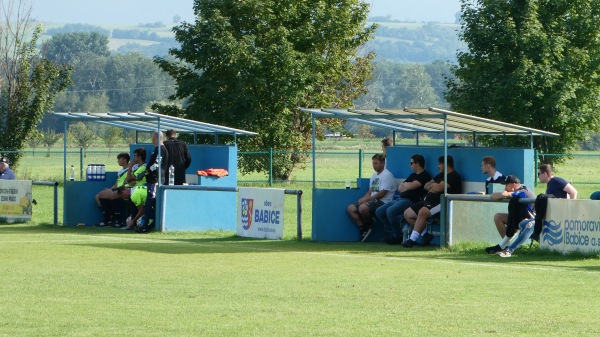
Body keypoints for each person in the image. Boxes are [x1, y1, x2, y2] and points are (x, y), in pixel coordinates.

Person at [496, 164, 577, 257]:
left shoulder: (557, 181)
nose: (537, 176)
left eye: (538, 174)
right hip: (549, 216)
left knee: (530, 225)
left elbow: (573, 192)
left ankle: (509, 250)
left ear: (545, 174)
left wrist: (570, 210)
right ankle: (542, 243)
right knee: (521, 224)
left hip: (557, 217)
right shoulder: (551, 184)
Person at [402, 155, 462, 247]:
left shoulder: (453, 176)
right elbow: (426, 186)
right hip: (428, 200)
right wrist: (433, 185)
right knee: (407, 213)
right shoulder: (440, 175)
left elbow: (437, 189)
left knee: (423, 212)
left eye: (439, 164)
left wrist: (434, 185)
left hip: (442, 203)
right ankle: (425, 235)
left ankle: (412, 239)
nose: (438, 166)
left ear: (445, 164)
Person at [375, 154, 431, 244]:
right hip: (400, 199)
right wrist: (406, 185)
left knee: (390, 211)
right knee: (379, 211)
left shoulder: (424, 176)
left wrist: (407, 185)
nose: (410, 165)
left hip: (411, 201)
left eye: (411, 163)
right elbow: (400, 188)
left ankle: (398, 236)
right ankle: (394, 232)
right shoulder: (412, 175)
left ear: (417, 164)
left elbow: (412, 186)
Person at [346, 153, 397, 242]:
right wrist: (363, 199)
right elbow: (370, 191)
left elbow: (382, 194)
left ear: (382, 163)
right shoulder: (374, 175)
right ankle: (363, 227)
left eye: (376, 163)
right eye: (373, 163)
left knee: (363, 208)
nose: (374, 165)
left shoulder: (387, 175)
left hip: (383, 201)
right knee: (350, 208)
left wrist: (367, 200)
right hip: (373, 200)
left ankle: (369, 223)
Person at [484, 175, 536, 254]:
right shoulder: (515, 191)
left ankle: (505, 247)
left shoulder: (523, 191)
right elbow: (493, 196)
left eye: (506, 185)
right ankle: (506, 246)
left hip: (532, 220)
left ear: (513, 185)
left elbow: (503, 195)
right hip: (521, 218)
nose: (505, 187)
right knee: (498, 217)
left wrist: (505, 193)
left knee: (515, 219)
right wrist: (505, 192)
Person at [140, 131, 169, 231]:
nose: (151, 138)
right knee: (152, 201)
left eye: (152, 136)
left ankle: (146, 225)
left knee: (150, 200)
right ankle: (151, 223)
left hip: (155, 179)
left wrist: (146, 171)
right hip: (153, 179)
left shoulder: (161, 149)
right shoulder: (157, 149)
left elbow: (157, 164)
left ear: (156, 137)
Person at [94, 152, 130, 227]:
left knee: (101, 195)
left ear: (125, 160)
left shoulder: (130, 170)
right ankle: (109, 217)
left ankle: (112, 220)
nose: (118, 161)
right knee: (98, 196)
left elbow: (128, 182)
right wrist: (109, 189)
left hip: (124, 190)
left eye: (119, 159)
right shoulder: (121, 171)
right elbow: (116, 184)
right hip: (117, 189)